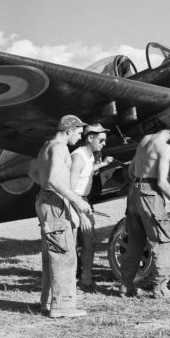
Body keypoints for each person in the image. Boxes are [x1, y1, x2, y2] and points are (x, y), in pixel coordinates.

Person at [31, 115, 93, 318]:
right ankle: (63, 306)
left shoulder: (46, 146)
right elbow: (54, 180)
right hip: (54, 202)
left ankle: (46, 302)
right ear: (68, 130)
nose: (79, 137)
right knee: (64, 255)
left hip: (45, 200)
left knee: (51, 255)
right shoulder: (59, 148)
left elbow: (32, 172)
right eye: (78, 133)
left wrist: (46, 190)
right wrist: (77, 201)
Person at [120, 117, 170, 298]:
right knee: (163, 241)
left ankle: (126, 286)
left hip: (134, 191)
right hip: (150, 193)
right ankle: (161, 288)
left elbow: (131, 169)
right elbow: (162, 182)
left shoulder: (145, 140)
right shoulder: (164, 148)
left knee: (135, 240)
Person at [70, 123, 114, 292]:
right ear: (90, 138)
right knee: (73, 244)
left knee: (90, 241)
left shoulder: (89, 156)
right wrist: (80, 214)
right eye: (101, 140)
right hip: (76, 202)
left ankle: (85, 279)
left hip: (84, 201)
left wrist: (102, 164)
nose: (104, 144)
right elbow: (70, 188)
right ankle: (71, 281)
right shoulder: (78, 157)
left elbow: (87, 171)